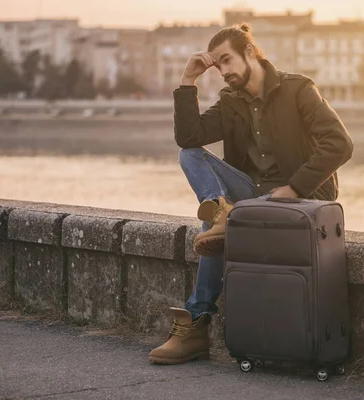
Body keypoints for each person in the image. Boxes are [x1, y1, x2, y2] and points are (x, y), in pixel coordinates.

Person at [148, 23, 353, 365]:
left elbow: (341, 144)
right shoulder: (231, 102)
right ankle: (221, 211)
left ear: (249, 52)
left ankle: (196, 324)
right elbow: (189, 138)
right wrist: (188, 81)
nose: (224, 72)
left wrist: (294, 187)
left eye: (227, 60)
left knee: (213, 231)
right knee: (190, 158)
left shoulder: (298, 89)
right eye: (218, 66)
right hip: (252, 196)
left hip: (302, 200)